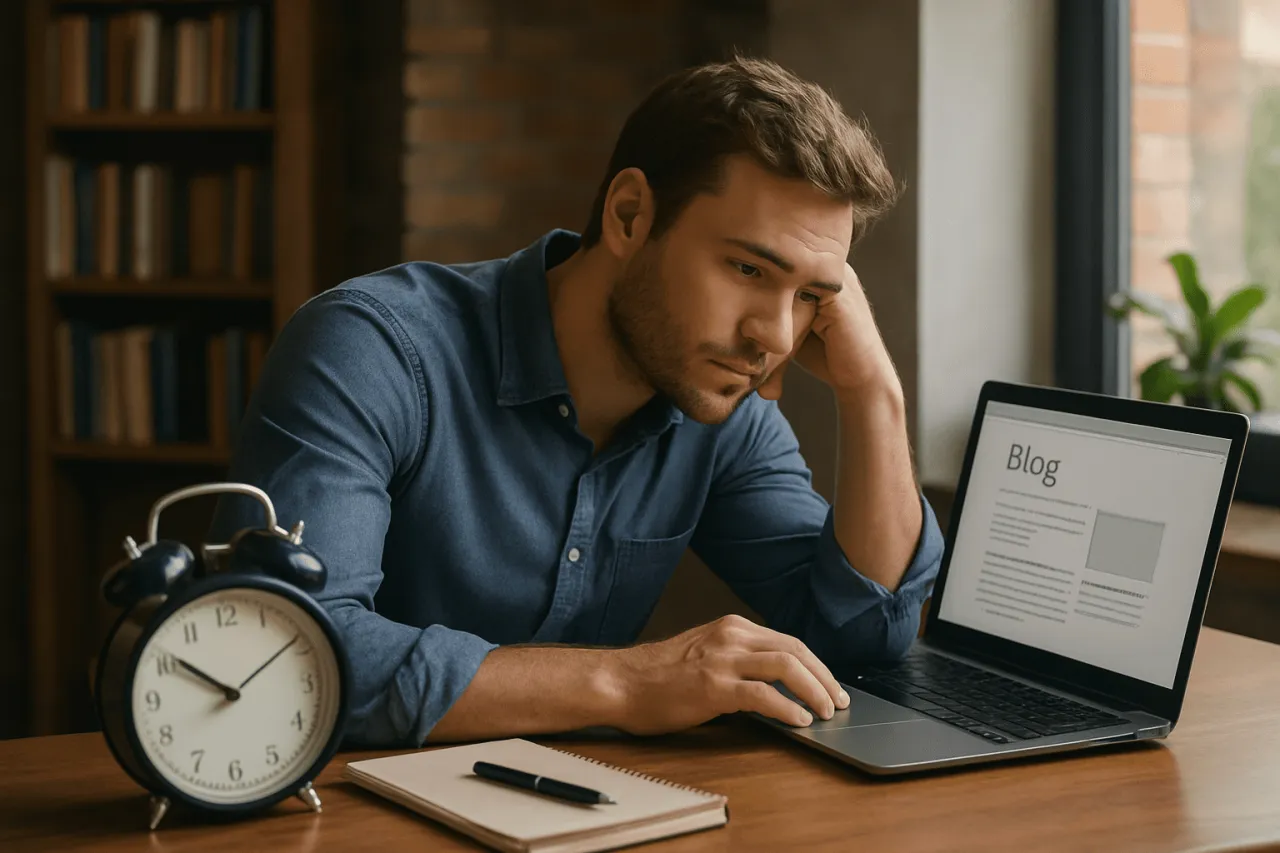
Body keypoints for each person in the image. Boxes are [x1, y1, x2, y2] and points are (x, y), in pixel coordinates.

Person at [209, 55, 943, 748]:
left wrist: (874, 391)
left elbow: (863, 633)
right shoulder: (371, 350)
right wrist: (626, 682)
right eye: (749, 267)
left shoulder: (723, 408)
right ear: (629, 215)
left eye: (811, 297)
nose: (774, 335)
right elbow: (282, 653)